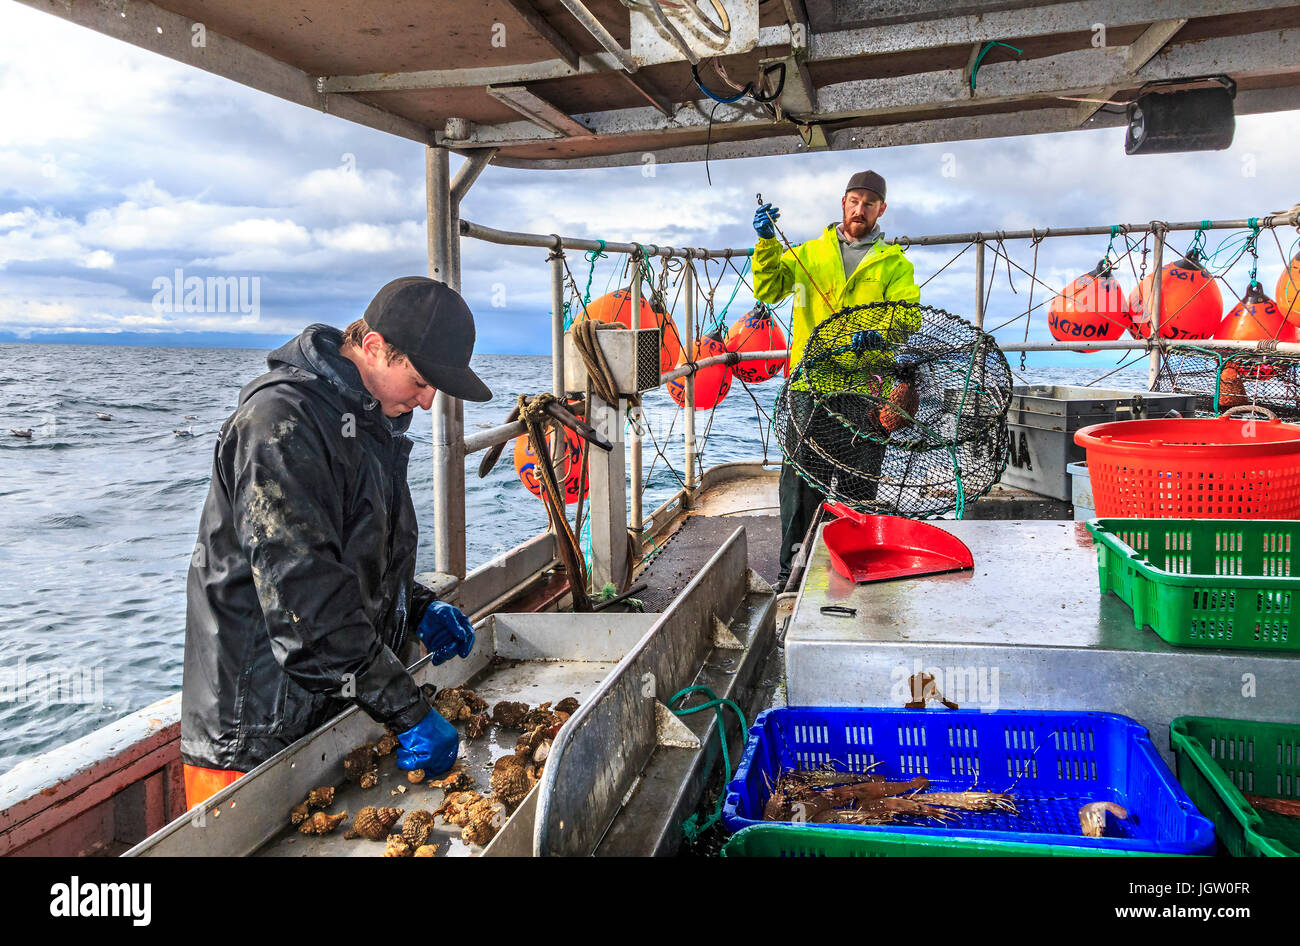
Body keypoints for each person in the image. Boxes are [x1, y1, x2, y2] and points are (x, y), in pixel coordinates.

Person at [180, 276, 493, 808]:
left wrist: (413, 606)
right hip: (254, 738)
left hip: (332, 711)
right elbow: (305, 601)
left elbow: (345, 553)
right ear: (372, 347)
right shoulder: (281, 424)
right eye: (419, 380)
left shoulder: (364, 418)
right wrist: (408, 712)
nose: (427, 399)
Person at [751, 171, 921, 587]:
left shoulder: (895, 264)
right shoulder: (810, 252)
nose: (859, 209)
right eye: (853, 200)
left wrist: (880, 330)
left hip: (865, 391)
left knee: (857, 486)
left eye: (868, 203)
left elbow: (909, 315)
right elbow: (770, 288)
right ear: (842, 203)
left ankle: (849, 573)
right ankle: (790, 575)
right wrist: (767, 242)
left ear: (881, 209)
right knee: (799, 489)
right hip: (810, 388)